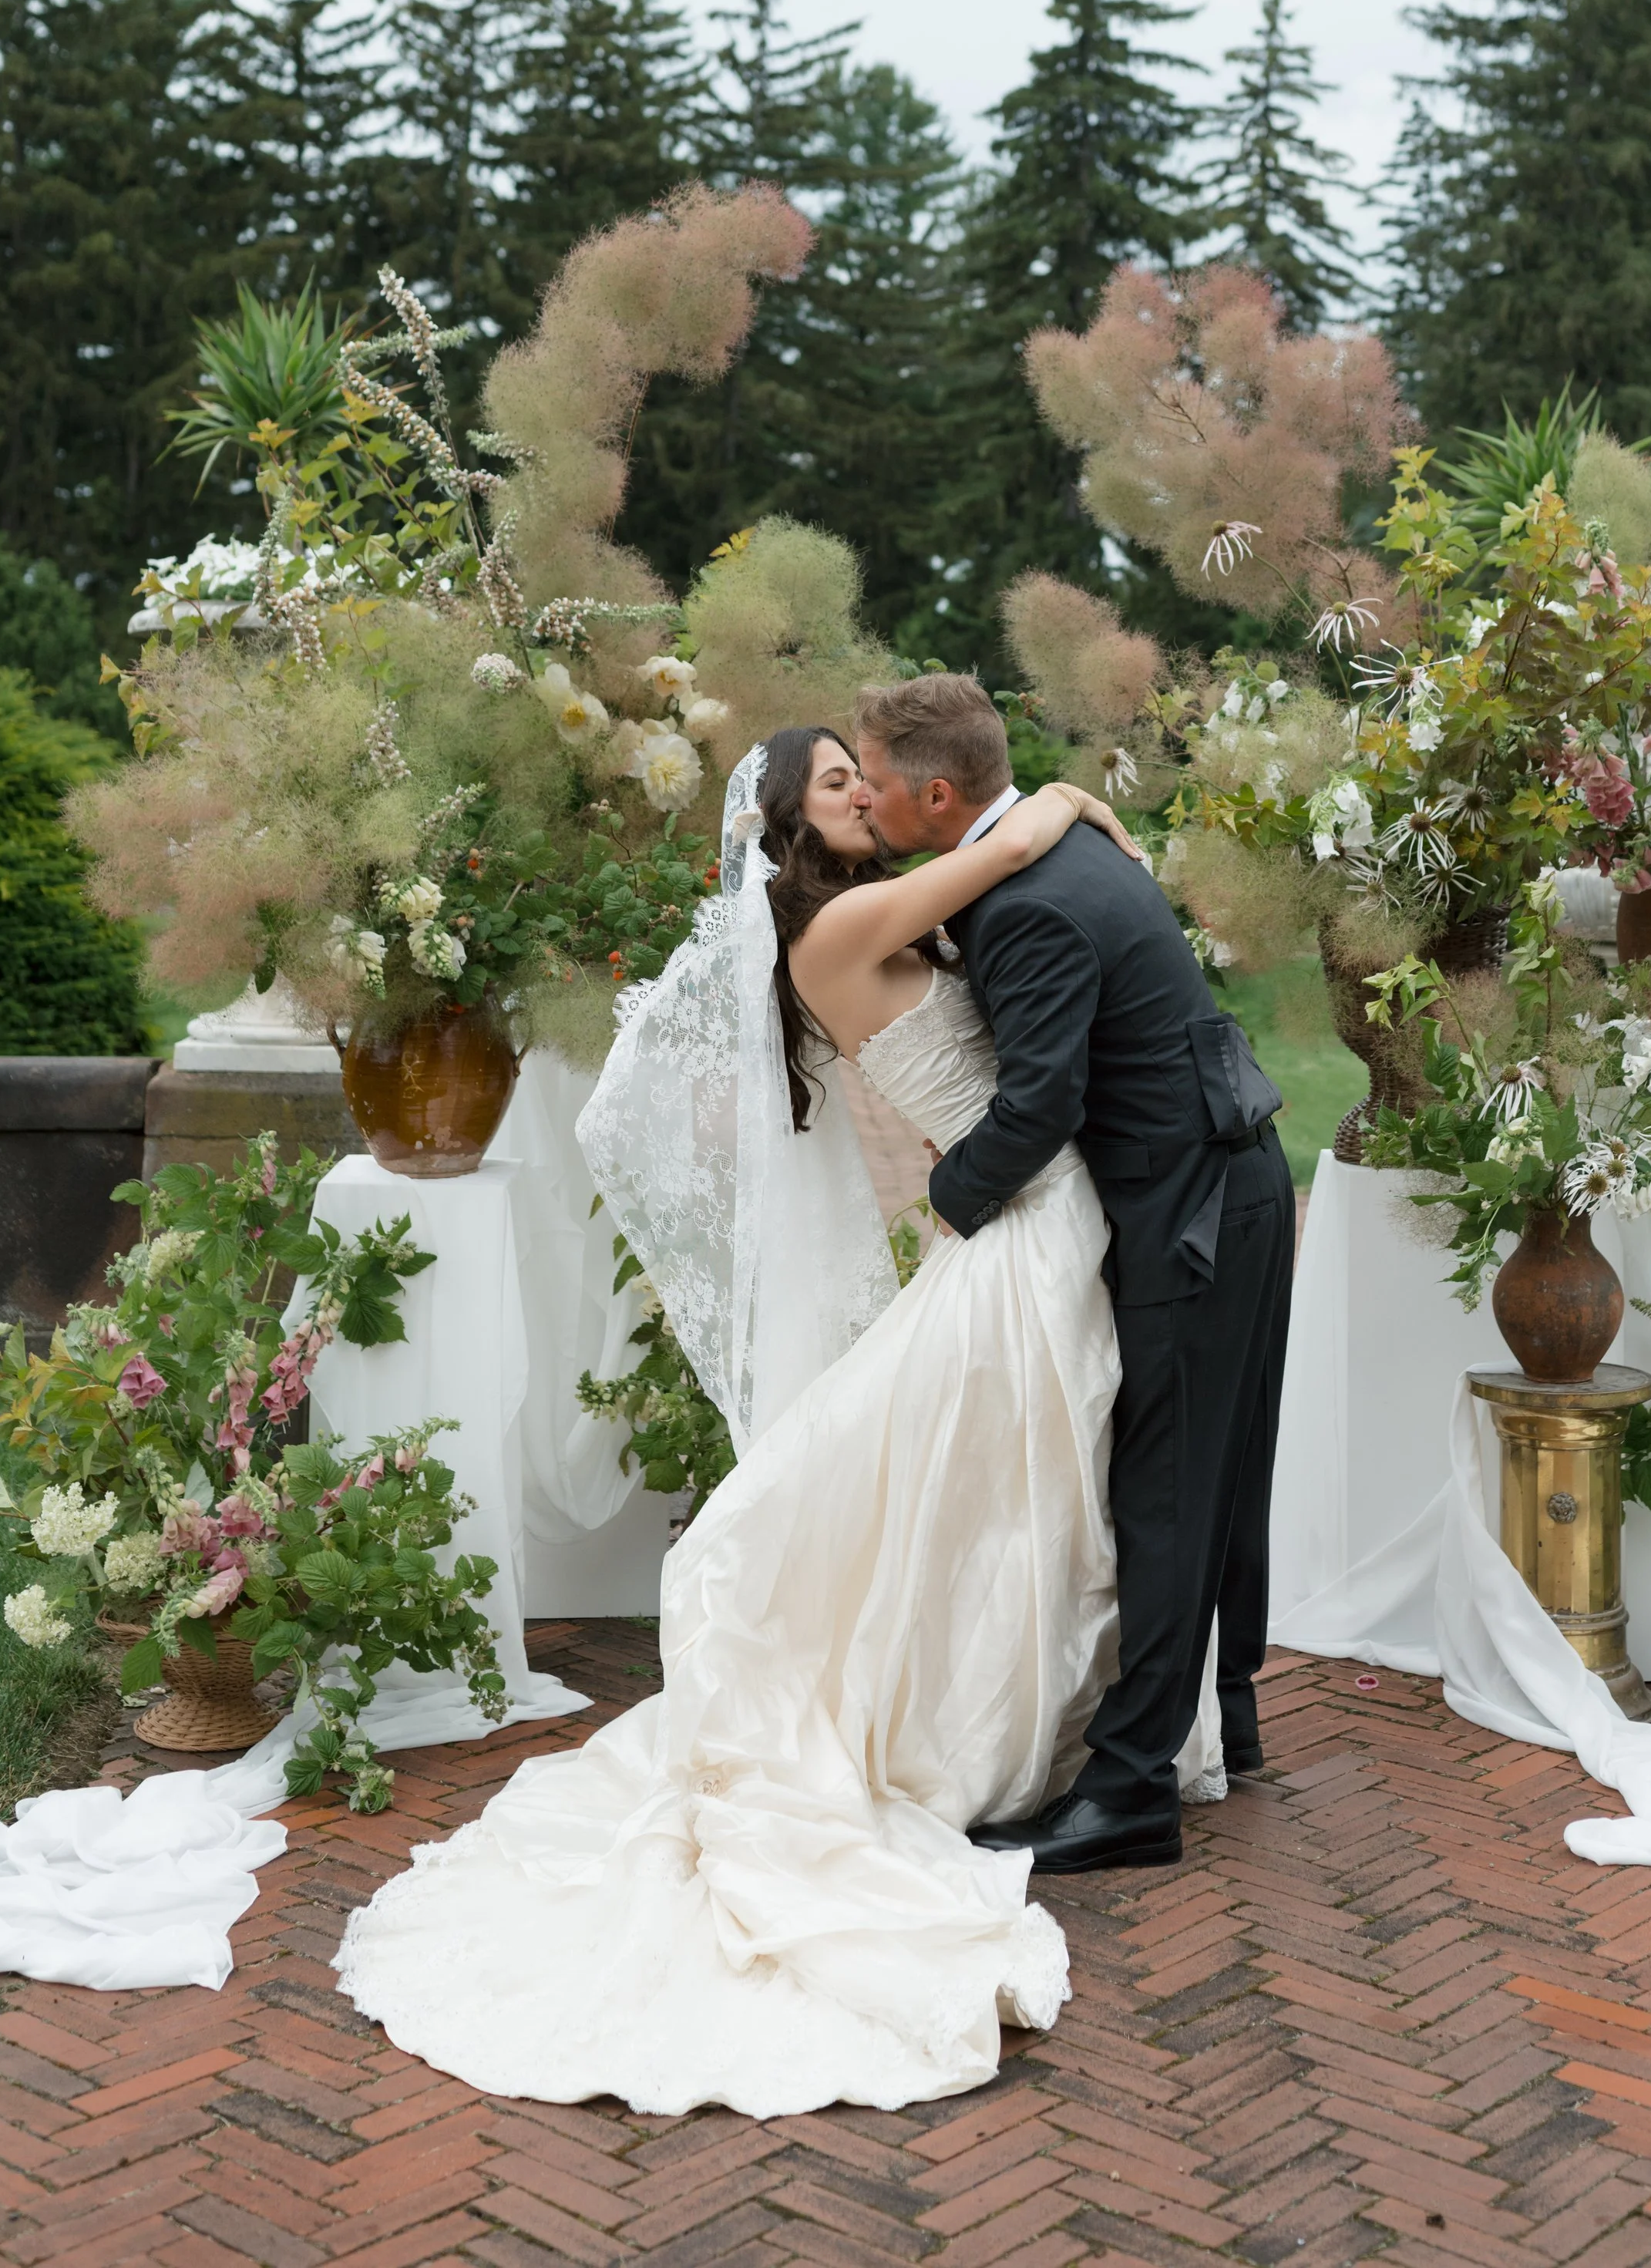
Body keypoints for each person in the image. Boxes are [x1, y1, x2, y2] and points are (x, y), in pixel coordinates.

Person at [332, 722, 1216, 2116]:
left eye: (867, 772)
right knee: (1021, 1478)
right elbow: (1016, 839)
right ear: (793, 825)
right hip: (1021, 1226)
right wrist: (1063, 792)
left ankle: (1086, 1720)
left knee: (1017, 1484)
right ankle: (1014, 1732)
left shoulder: (852, 917)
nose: (863, 790)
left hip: (1029, 1222)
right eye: (837, 781)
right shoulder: (850, 922)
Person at [854, 674, 1296, 1874]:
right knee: (1219, 1473)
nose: (873, 799)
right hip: (1234, 1185)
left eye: (879, 780)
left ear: (938, 793)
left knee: (1165, 1492)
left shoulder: (1029, 903)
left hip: (1187, 1208)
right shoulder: (1057, 850)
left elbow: (1042, 1104)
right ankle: (1230, 1714)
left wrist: (946, 1203)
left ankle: (1132, 1789)